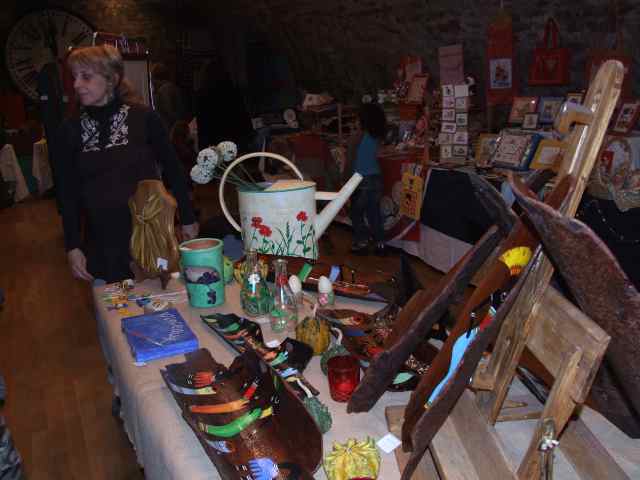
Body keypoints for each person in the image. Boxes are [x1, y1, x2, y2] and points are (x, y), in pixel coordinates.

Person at [57, 45, 199, 283]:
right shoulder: (69, 129)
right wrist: (73, 245)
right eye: (75, 77)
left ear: (111, 79)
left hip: (150, 234)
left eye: (86, 76)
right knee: (114, 305)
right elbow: (67, 192)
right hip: (101, 240)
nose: (77, 84)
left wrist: (187, 217)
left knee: (161, 298)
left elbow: (173, 169)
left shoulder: (144, 118)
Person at [347, 103, 388, 255]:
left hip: (360, 180)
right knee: (373, 213)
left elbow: (350, 160)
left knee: (356, 213)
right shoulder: (377, 137)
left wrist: (345, 180)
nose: (355, 121)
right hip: (376, 178)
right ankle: (380, 243)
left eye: (357, 118)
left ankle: (362, 242)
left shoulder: (356, 137)